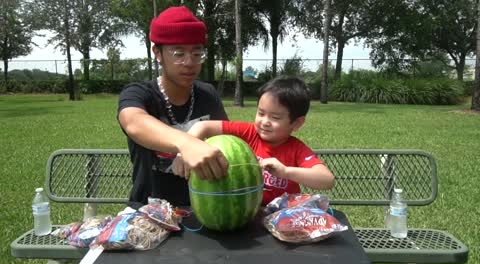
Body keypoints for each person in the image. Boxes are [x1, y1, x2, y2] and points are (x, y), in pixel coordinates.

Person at [117, 6, 229, 210]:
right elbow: (133, 122)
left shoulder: (208, 94)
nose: (189, 62)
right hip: (148, 210)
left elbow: (227, 140)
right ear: (157, 53)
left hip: (204, 207)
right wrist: (186, 144)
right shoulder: (139, 93)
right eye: (178, 53)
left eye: (197, 53)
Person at [181, 76, 335, 205]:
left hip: (280, 217)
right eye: (261, 113)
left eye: (275, 117)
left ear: (296, 123)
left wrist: (286, 172)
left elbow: (327, 180)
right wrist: (184, 151)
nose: (265, 122)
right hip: (245, 211)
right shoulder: (249, 132)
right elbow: (203, 126)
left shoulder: (296, 148)